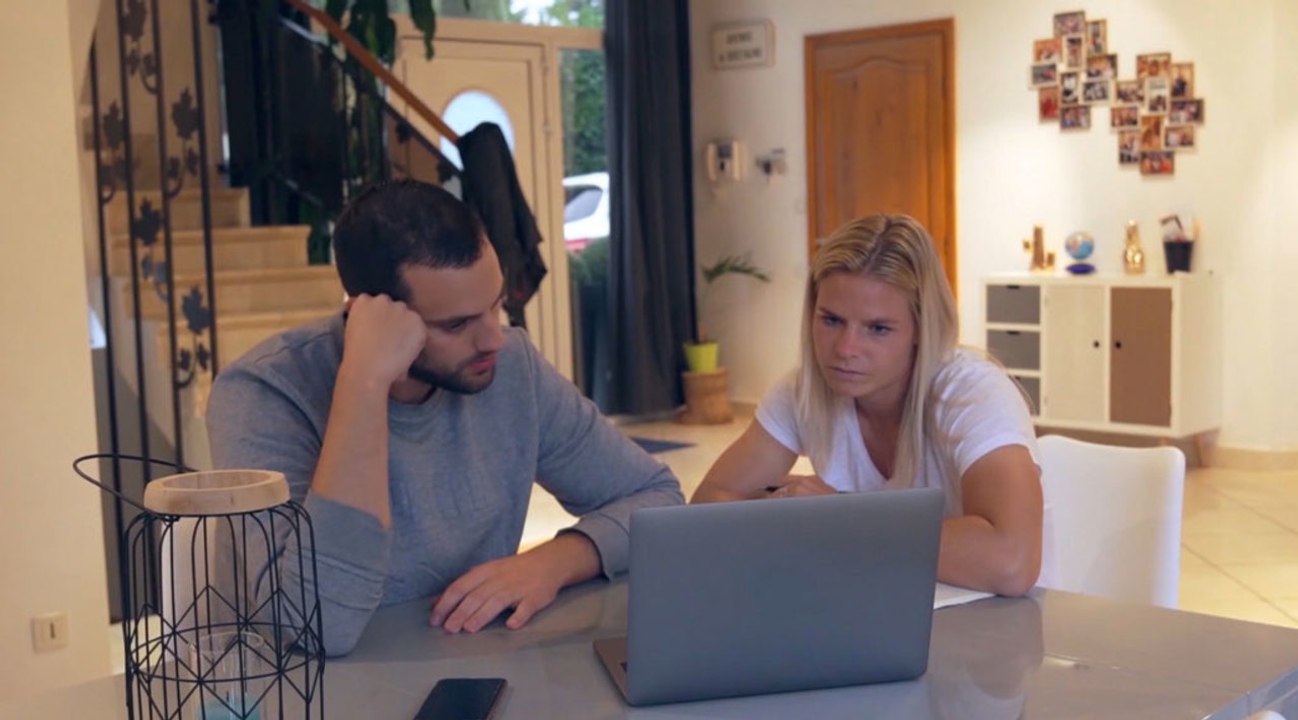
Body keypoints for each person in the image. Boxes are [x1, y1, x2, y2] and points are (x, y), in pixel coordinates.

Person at [206, 179, 684, 656]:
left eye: (496, 305)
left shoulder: (512, 366)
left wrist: (555, 561)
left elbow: (656, 496)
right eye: (456, 324)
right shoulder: (262, 394)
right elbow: (314, 628)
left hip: (466, 670)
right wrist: (365, 383)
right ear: (370, 315)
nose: (493, 339)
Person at [691, 214, 1042, 596]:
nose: (845, 349)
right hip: (870, 606)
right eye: (831, 320)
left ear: (921, 330)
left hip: (988, 626)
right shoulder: (803, 391)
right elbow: (709, 504)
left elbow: (1011, 563)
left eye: (877, 328)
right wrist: (790, 504)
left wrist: (842, 517)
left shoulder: (973, 393)